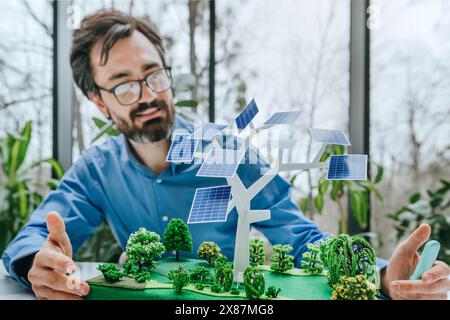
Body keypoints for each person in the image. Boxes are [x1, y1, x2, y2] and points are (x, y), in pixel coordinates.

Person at [2, 10, 449, 300]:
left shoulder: (229, 151)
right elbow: (35, 238)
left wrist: (384, 274)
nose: (147, 94)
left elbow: (300, 236)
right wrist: (34, 264)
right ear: (98, 101)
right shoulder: (97, 170)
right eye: (123, 84)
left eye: (153, 74)